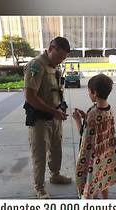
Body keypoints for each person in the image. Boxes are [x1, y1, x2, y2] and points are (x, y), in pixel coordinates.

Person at [23, 37, 73, 199]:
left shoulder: (54, 66)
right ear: (51, 48)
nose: (60, 61)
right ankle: (39, 187)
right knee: (40, 154)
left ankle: (55, 175)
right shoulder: (36, 65)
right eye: (59, 57)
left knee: (56, 149)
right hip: (40, 119)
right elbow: (30, 97)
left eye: (63, 58)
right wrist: (53, 111)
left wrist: (59, 110)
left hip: (55, 116)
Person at [72, 74, 116, 199]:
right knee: (103, 177)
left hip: (92, 157)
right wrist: (85, 117)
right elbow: (99, 127)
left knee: (90, 179)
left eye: (89, 91)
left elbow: (84, 136)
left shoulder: (93, 113)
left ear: (95, 93)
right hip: (104, 154)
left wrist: (78, 120)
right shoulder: (109, 109)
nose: (88, 94)